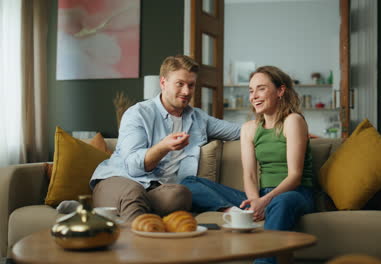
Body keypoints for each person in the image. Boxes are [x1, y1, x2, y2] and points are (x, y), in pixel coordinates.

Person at [181, 66, 315, 264]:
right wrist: (254, 202)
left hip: (294, 194)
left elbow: (295, 176)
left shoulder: (293, 121)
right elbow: (250, 175)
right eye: (251, 91)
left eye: (261, 88)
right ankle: (239, 212)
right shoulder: (249, 129)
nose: (254, 96)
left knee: (282, 201)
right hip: (261, 196)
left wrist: (266, 200)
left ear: (280, 91)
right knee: (188, 182)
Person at [90, 55, 240, 222]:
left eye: (191, 85)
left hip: (156, 190)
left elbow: (239, 131)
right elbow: (133, 167)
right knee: (133, 193)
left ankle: (141, 221)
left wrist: (270, 117)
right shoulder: (138, 113)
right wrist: (163, 147)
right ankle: (142, 240)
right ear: (163, 83)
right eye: (180, 84)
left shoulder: (199, 119)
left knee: (180, 193)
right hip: (118, 180)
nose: (186, 92)